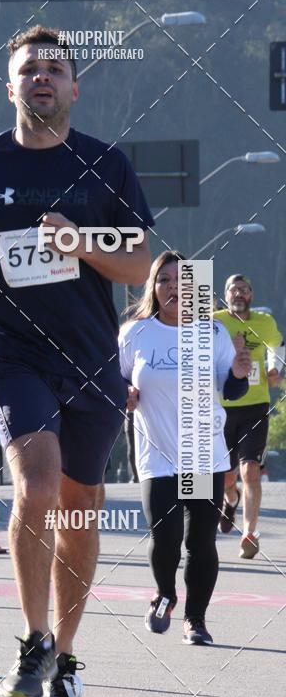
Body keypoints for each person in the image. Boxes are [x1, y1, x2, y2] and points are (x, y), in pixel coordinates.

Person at [0, 24, 152, 697]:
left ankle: (66, 660)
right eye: (30, 70)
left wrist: (81, 244)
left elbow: (140, 263)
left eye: (54, 69)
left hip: (90, 358)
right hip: (11, 350)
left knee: (80, 510)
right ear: (11, 87)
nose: (42, 78)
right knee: (38, 483)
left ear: (75, 88)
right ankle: (33, 641)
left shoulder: (106, 164)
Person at [119, 251, 251, 644]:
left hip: (202, 452)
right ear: (153, 287)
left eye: (182, 280)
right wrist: (123, 394)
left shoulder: (212, 333)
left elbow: (231, 389)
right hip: (157, 454)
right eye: (164, 280)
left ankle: (196, 620)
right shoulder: (135, 333)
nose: (173, 287)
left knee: (200, 542)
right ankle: (165, 594)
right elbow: (115, 381)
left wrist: (239, 375)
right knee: (165, 537)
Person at [214, 275, 283, 558]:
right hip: (222, 406)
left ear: (251, 295)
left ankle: (249, 534)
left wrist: (275, 368)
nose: (239, 294)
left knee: (250, 469)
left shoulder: (264, 322)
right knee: (226, 478)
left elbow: (277, 345)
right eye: (233, 290)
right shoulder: (215, 322)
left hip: (256, 405)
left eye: (244, 290)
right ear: (226, 295)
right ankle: (231, 500)